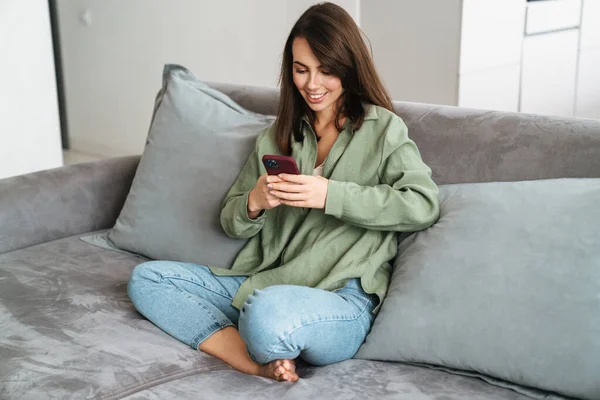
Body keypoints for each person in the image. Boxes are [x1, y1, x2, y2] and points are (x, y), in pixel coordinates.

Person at [128, 2, 439, 383]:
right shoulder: (276, 137)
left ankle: (261, 334)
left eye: (326, 71)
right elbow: (231, 221)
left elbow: (423, 204)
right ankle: (250, 361)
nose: (312, 84)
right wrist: (255, 202)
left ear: (349, 67)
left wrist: (329, 195)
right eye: (301, 69)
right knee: (147, 280)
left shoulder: (384, 129)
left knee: (265, 314)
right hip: (263, 281)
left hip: (342, 299)